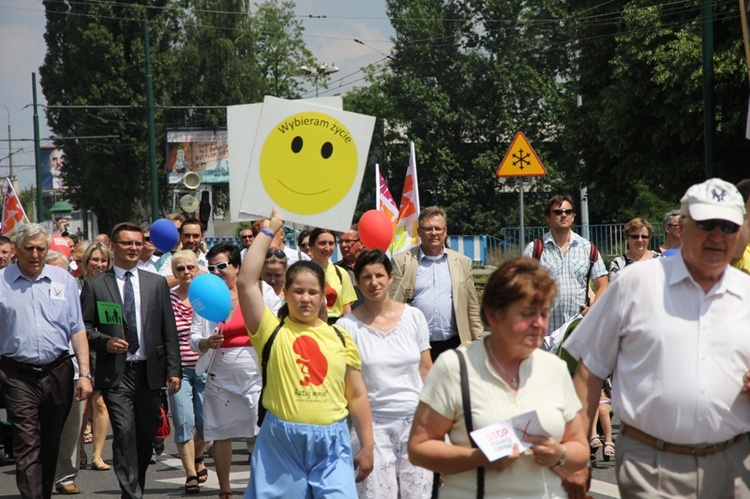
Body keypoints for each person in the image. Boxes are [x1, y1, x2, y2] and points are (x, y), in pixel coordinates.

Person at [564, 178, 750, 498]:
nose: (717, 236)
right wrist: (578, 453)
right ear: (683, 226)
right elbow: (589, 372)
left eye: (728, 226)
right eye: (707, 223)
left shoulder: (746, 294)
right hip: (651, 463)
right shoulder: (635, 283)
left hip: (734, 464)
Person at [408, 257, 588, 498]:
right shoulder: (455, 367)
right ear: (494, 316)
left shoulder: (555, 368)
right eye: (527, 314)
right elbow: (419, 449)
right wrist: (477, 458)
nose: (539, 323)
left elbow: (580, 448)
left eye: (544, 314)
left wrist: (559, 454)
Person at [237, 208, 374, 498]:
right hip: (281, 444)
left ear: (323, 295)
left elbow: (358, 394)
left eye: (313, 292)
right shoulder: (270, 331)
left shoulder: (340, 336)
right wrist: (270, 229)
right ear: (285, 292)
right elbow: (246, 281)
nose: (306, 298)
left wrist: (367, 445)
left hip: (333, 444)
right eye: (298, 291)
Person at [81, 222, 181, 499]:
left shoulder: (156, 283)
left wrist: (174, 370)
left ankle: (133, 490)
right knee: (124, 432)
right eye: (127, 243)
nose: (134, 248)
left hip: (149, 371)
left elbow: (168, 329)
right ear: (113, 247)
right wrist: (105, 342)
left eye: (138, 243)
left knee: (144, 436)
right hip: (116, 372)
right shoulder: (95, 285)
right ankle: (132, 492)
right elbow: (84, 327)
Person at [0, 223, 93, 499]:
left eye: (41, 248)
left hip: (58, 370)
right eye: (29, 248)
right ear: (17, 250)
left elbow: (77, 329)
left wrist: (85, 374)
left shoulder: (63, 280)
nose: (36, 254)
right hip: (17, 373)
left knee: (51, 441)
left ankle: (43, 492)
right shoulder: (2, 282)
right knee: (27, 440)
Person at [337, 249, 434, 498]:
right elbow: (347, 385)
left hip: (416, 424)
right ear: (356, 282)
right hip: (372, 428)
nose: (374, 282)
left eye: (379, 275)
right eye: (366, 277)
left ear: (391, 277)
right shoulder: (346, 327)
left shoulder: (414, 317)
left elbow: (426, 370)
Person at [190, 243, 264, 498]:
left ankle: (262, 486)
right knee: (222, 432)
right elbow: (194, 335)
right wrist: (204, 343)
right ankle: (225, 489)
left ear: (237, 267)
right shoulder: (206, 296)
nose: (217, 271)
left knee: (261, 430)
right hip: (219, 371)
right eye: (211, 268)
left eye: (222, 266)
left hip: (255, 372)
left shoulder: (256, 291)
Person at [390, 206, 484, 360]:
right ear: (419, 232)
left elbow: (471, 306)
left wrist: (479, 341)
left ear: (445, 231)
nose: (433, 233)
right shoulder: (402, 262)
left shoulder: (462, 262)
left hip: (455, 344)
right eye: (428, 229)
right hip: (415, 345)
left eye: (438, 228)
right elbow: (392, 304)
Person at [522, 195, 608, 335]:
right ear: (548, 218)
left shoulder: (587, 248)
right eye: (557, 212)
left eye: (568, 212)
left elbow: (603, 283)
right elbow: (520, 285)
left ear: (573, 217)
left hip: (578, 330)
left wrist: (593, 309)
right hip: (545, 332)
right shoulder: (535, 249)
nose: (564, 215)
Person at [168, 250, 208, 494]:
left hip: (206, 368)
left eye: (190, 267)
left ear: (198, 269)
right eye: (180, 269)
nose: (186, 272)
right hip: (178, 370)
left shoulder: (207, 297)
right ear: (174, 273)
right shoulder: (167, 299)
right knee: (184, 422)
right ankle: (190, 474)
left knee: (207, 426)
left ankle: (198, 455)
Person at [78, 242, 114, 472]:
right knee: (83, 406)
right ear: (86, 262)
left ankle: (97, 455)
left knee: (100, 403)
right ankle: (79, 447)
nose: (99, 264)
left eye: (103, 260)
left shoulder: (112, 286)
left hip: (103, 350)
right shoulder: (75, 285)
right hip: (80, 351)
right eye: (95, 260)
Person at [309, 227, 357, 324]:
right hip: (309, 325)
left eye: (331, 243)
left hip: (335, 327)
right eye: (322, 243)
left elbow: (347, 310)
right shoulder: (301, 271)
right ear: (311, 245)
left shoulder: (341, 273)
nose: (327, 248)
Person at [158, 218, 207, 287]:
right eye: (187, 235)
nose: (191, 240)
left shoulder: (209, 259)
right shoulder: (171, 260)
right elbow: (160, 283)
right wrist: (192, 276)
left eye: (195, 236)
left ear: (202, 236)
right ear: (180, 236)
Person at [336, 225, 364, 309]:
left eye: (348, 241)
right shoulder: (335, 269)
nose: (343, 245)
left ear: (361, 244)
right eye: (340, 241)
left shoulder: (370, 267)